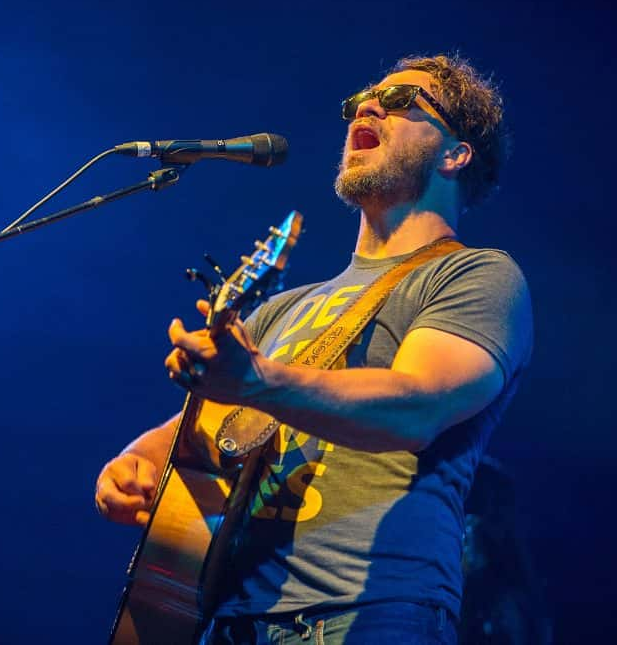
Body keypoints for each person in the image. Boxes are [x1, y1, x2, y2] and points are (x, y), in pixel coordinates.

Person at [95, 53, 534, 644]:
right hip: (225, 622)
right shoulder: (282, 309)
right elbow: (195, 434)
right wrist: (131, 465)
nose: (369, 105)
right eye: (362, 99)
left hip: (363, 613)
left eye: (403, 102)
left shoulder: (475, 277)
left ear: (456, 154)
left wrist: (259, 381)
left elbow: (417, 405)